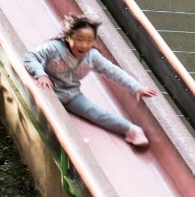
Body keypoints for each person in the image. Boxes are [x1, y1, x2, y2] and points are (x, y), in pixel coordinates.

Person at [23, 14, 158, 147]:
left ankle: (131, 130)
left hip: (71, 95)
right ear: (68, 37)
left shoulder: (92, 56)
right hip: (48, 90)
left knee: (94, 112)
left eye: (89, 40)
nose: (84, 44)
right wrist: (41, 74)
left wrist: (137, 87)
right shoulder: (53, 48)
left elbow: (114, 72)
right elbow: (30, 57)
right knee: (52, 112)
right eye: (79, 39)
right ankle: (72, 139)